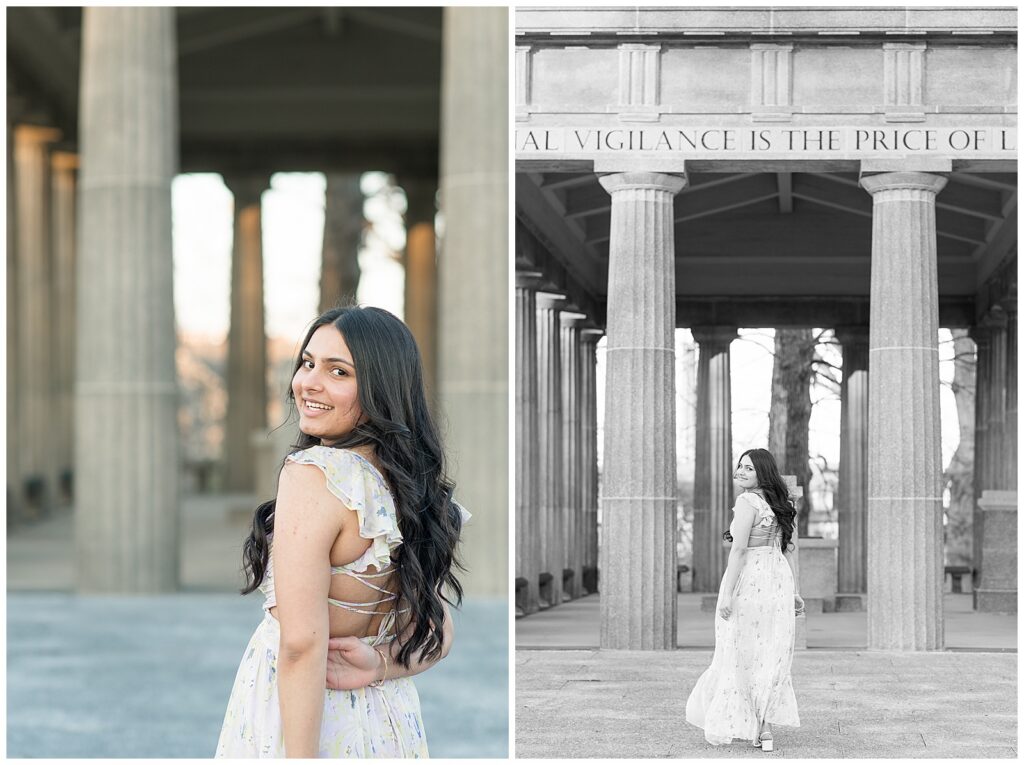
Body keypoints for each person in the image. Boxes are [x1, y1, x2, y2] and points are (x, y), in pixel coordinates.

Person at [215, 305, 468, 758]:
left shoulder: (315, 474)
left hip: (302, 721)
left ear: (379, 389)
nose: (309, 382)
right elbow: (440, 631)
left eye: (338, 372)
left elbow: (299, 646)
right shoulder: (409, 489)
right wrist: (379, 666)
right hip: (387, 717)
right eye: (308, 363)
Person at [685, 448, 802, 751]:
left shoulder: (746, 501)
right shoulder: (782, 505)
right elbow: (785, 550)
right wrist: (794, 591)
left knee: (740, 651)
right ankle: (763, 728)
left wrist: (726, 594)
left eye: (748, 468)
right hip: (776, 581)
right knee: (769, 652)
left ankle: (755, 724)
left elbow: (738, 552)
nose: (740, 471)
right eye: (740, 466)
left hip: (750, 581)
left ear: (762, 472)